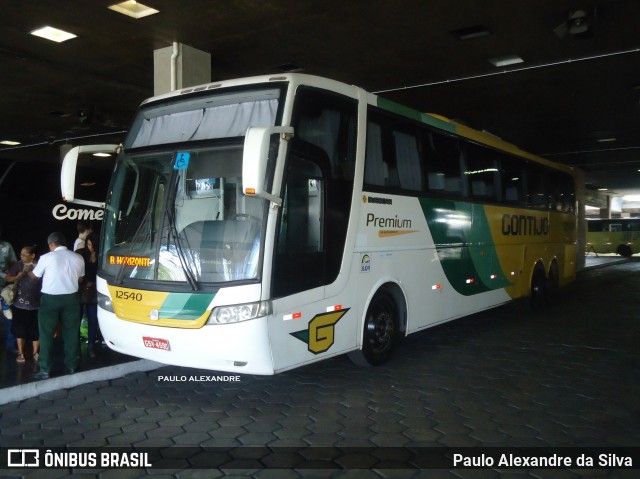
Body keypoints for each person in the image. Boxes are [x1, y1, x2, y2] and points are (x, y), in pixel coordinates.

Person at [29, 232, 84, 380]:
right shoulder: (78, 257)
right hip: (71, 298)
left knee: (46, 333)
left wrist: (29, 269)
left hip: (50, 300)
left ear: (52, 244)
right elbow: (80, 278)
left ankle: (45, 369)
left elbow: (34, 276)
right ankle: (72, 365)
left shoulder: (47, 257)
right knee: (72, 332)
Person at [5, 246, 41, 363]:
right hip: (19, 304)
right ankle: (21, 353)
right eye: (21, 254)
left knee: (35, 331)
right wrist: (17, 276)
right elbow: (8, 278)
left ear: (32, 255)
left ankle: (36, 352)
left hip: (36, 304)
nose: (21, 256)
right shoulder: (18, 265)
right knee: (20, 330)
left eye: (24, 255)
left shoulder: (40, 265)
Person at [77, 233, 99, 357]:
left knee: (93, 319)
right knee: (77, 319)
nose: (90, 247)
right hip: (81, 289)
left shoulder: (100, 254)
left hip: (93, 290)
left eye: (92, 245)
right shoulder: (81, 253)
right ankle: (76, 346)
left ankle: (91, 345)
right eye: (88, 244)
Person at [0, 226, 17, 352]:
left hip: (5, 286)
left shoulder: (6, 246)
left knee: (8, 315)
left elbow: (13, 263)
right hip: (3, 278)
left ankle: (10, 344)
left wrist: (12, 276)